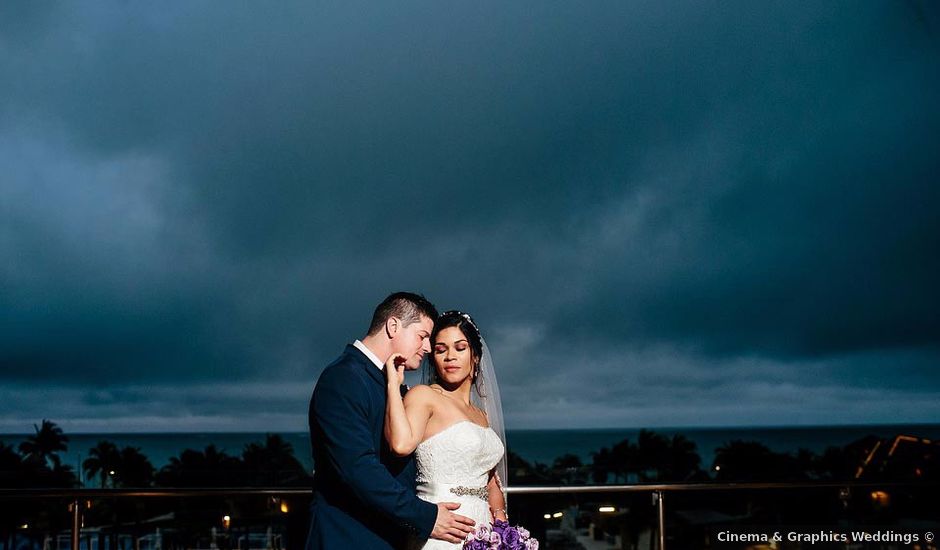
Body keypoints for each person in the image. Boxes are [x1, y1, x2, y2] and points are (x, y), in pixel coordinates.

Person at [306, 293, 477, 550]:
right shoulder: (343, 379)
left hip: (389, 538)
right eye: (422, 336)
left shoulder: (392, 383)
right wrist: (427, 517)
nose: (428, 348)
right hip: (350, 538)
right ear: (393, 326)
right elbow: (358, 470)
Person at [384, 310, 508, 550]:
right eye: (441, 350)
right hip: (442, 530)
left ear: (475, 356)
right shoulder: (424, 396)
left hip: (483, 532)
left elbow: (490, 479)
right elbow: (400, 445)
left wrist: (501, 523)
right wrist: (393, 385)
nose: (450, 356)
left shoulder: (481, 414)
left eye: (460, 348)